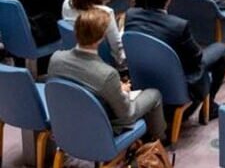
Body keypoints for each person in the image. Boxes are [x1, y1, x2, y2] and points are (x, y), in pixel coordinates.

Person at [48, 8, 167, 142]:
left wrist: (115, 88)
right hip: (99, 130)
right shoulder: (107, 74)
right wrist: (123, 92)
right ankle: (160, 142)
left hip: (68, 123)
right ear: (100, 38)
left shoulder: (56, 58)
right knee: (154, 94)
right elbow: (127, 114)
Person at [125, 0, 225, 120]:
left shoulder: (130, 15)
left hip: (141, 77)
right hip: (176, 85)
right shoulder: (178, 26)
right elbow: (197, 58)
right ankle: (210, 107)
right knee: (221, 49)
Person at [62, 0, 125, 69]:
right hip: (103, 63)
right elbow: (117, 48)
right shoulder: (106, 13)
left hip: (75, 57)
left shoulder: (66, 4)